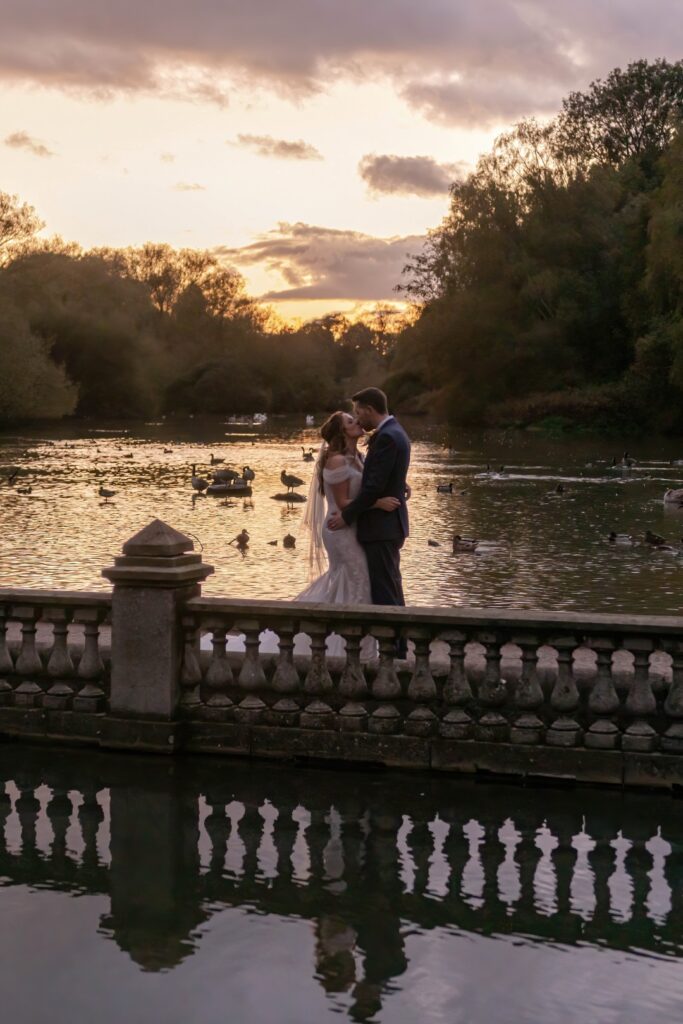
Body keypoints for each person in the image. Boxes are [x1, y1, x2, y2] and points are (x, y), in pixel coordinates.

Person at [328, 387, 411, 608]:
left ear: (369, 409)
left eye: (358, 412)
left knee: (385, 593)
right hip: (383, 526)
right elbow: (380, 476)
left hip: (381, 528)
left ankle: (393, 643)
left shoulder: (386, 437)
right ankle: (398, 642)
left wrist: (347, 516)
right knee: (390, 587)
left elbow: (373, 487)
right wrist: (399, 482)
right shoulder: (395, 431)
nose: (357, 418)